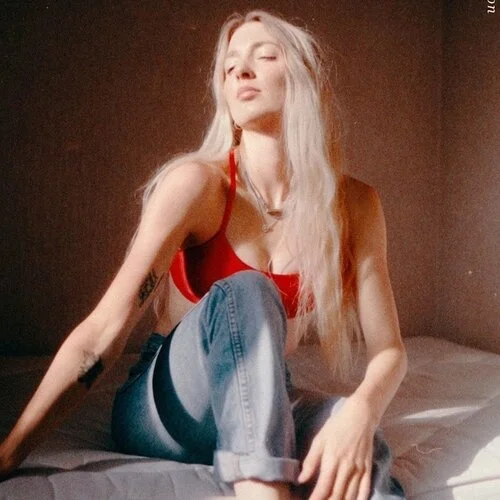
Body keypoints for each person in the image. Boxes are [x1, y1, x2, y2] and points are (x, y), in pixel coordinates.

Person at [0, 9, 408, 500]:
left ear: (304, 78)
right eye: (230, 65)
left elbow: (389, 350)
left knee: (359, 450)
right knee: (248, 289)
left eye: (265, 56)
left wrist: (361, 411)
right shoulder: (197, 185)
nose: (241, 71)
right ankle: (262, 491)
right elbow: (104, 330)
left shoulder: (355, 205)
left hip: (260, 400)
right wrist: (9, 452)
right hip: (164, 407)